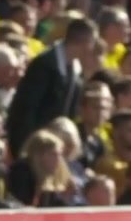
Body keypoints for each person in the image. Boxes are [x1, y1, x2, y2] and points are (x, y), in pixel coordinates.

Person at [6, 18, 98, 153]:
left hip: (55, 148)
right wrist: (24, 147)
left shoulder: (75, 70)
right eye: (92, 43)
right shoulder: (44, 65)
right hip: (35, 147)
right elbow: (26, 109)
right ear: (84, 43)